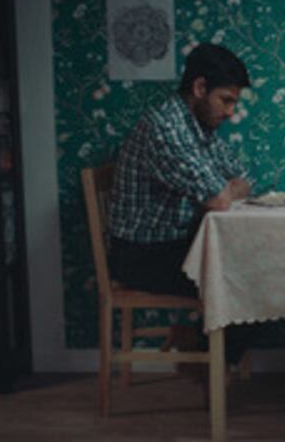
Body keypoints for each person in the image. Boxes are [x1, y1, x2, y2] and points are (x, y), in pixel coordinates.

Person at [108, 43, 255, 365]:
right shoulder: (166, 127)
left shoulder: (198, 128)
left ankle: (200, 347)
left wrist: (225, 191)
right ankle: (209, 361)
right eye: (226, 100)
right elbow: (219, 198)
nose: (231, 112)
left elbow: (243, 179)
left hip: (176, 243)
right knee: (250, 281)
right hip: (140, 255)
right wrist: (222, 192)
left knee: (260, 270)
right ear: (200, 88)